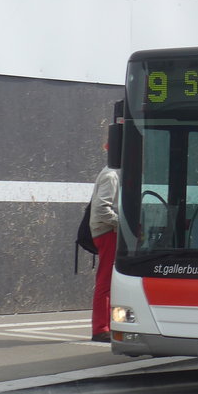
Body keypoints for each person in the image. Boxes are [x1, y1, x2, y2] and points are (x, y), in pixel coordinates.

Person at [88, 144, 120, 343]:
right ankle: (101, 328)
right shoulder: (112, 175)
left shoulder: (112, 173)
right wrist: (121, 223)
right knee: (106, 281)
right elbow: (101, 208)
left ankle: (106, 325)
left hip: (107, 231)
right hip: (108, 232)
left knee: (108, 280)